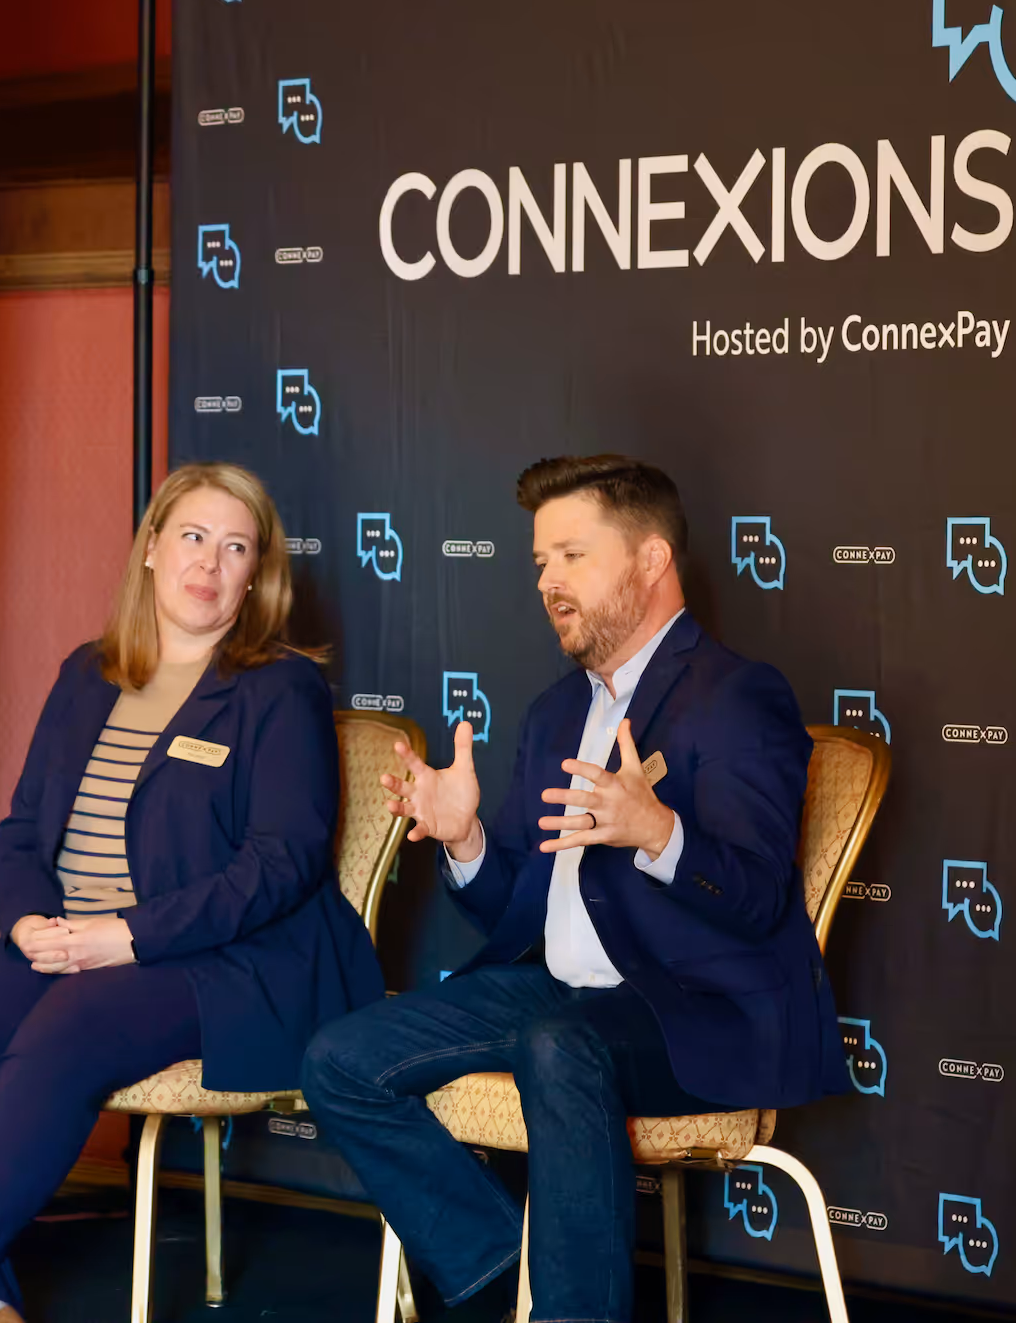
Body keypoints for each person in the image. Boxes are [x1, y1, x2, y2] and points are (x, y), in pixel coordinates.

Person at [302, 454, 846, 1322]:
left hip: (693, 1012)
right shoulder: (560, 711)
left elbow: (756, 898)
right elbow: (517, 901)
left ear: (650, 561)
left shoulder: (738, 695)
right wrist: (468, 838)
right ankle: (498, 1270)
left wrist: (659, 832)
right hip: (560, 996)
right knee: (339, 1060)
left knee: (561, 1043)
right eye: (538, 563)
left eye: (571, 556)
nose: (548, 581)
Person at [0, 462, 385, 1323]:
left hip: (220, 958)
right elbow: (21, 831)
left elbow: (281, 862)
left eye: (235, 547)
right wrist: (25, 923)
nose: (209, 562)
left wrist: (122, 936)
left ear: (256, 576)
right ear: (152, 551)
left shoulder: (279, 689)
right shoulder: (86, 674)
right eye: (194, 537)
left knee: (64, 1031)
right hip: (74, 938)